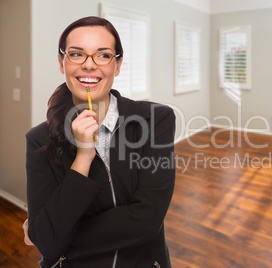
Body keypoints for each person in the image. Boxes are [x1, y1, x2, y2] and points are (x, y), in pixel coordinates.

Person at [22, 16, 176, 268]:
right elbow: (48, 242)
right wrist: (83, 157)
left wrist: (49, 235)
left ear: (117, 65)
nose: (89, 65)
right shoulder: (39, 139)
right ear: (62, 63)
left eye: (103, 55)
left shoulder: (156, 119)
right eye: (76, 54)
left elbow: (147, 219)